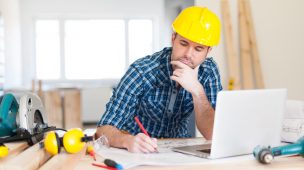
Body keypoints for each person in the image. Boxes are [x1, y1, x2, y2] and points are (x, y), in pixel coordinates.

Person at [95, 6, 222, 153]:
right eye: (183, 43)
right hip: (135, 147)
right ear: (173, 38)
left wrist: (197, 91)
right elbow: (102, 129)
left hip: (178, 149)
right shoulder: (142, 71)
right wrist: (127, 141)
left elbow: (213, 134)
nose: (188, 54)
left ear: (208, 51)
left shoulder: (209, 71)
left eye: (198, 49)